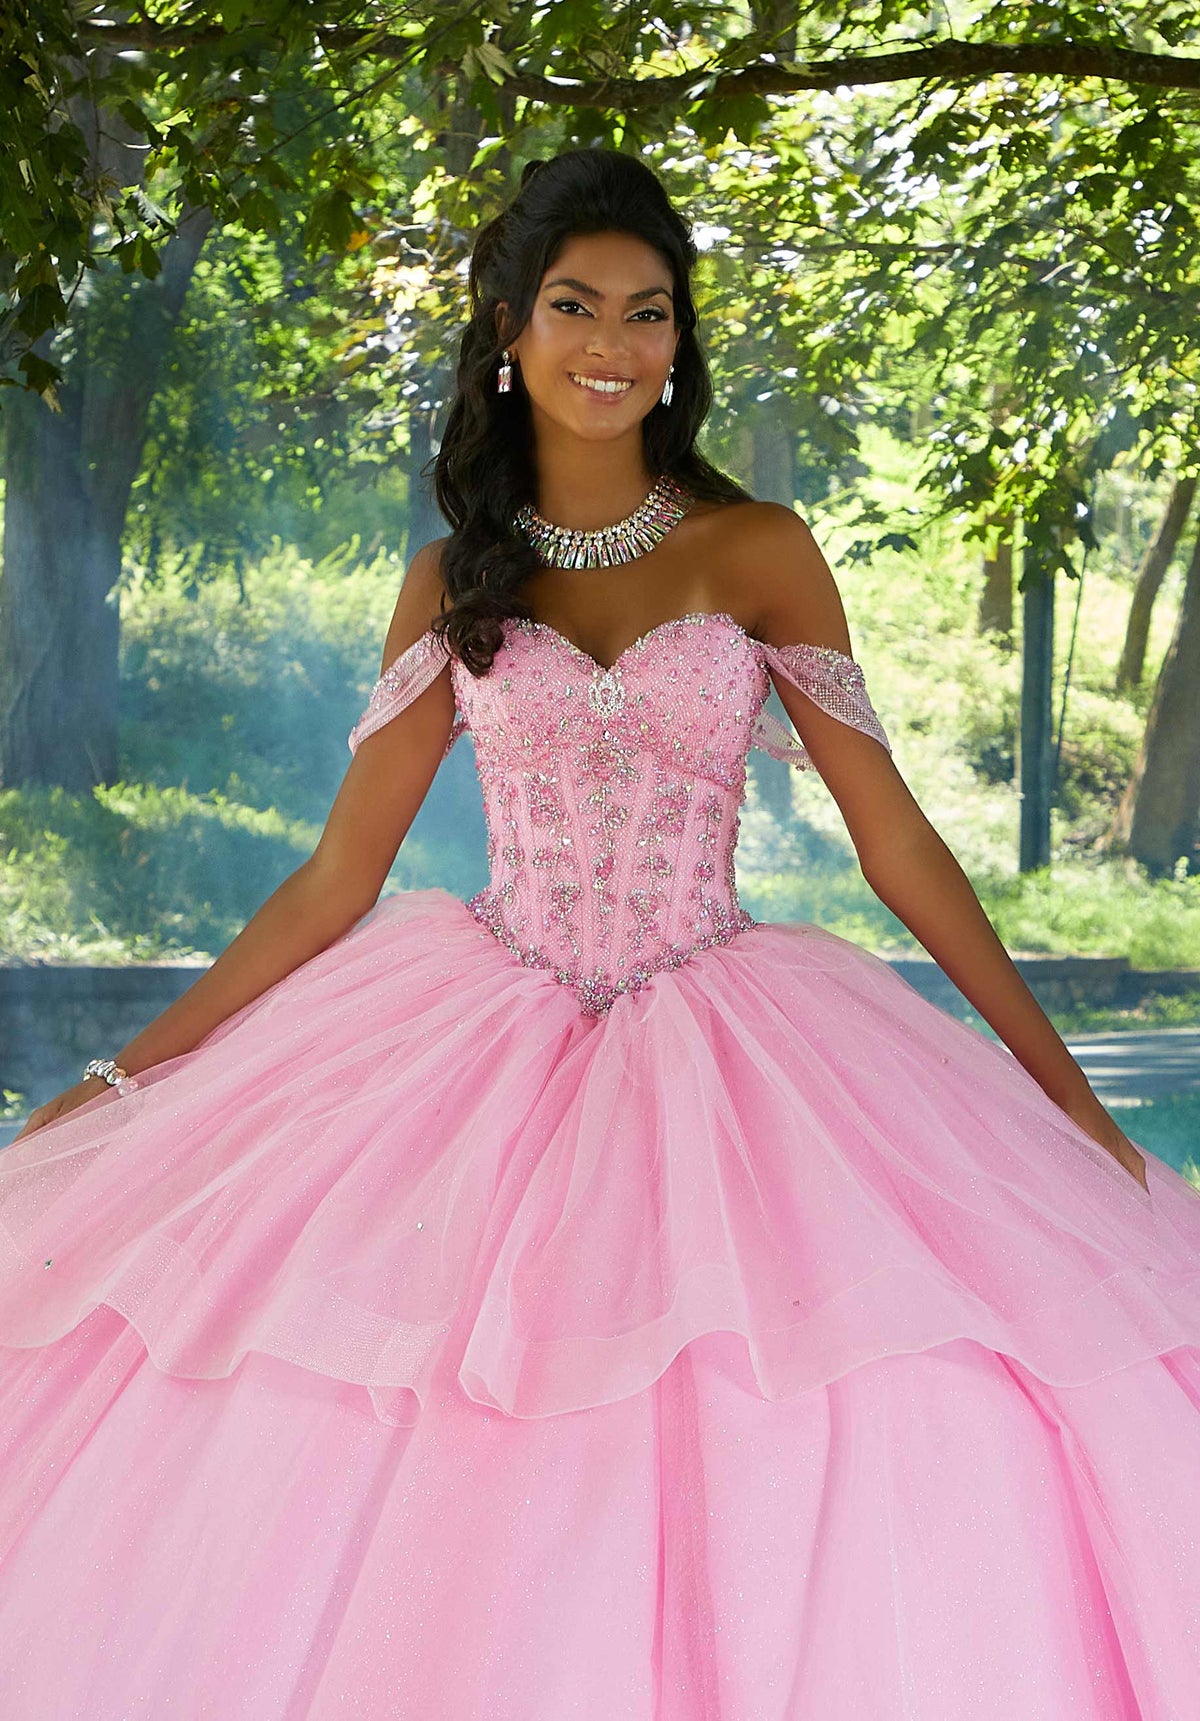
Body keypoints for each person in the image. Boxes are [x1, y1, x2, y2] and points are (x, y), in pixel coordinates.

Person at [1, 146, 1198, 1719]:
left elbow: (892, 837)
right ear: (510, 326)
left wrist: (1063, 1095)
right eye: (575, 305)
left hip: (730, 1033)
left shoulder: (758, 549)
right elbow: (333, 878)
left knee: (854, 1396)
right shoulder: (451, 578)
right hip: (473, 1041)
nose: (612, 345)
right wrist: (132, 1072)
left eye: (649, 312)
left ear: (681, 340)